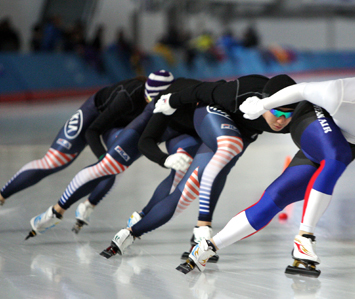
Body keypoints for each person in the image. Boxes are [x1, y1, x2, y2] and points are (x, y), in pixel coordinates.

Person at [177, 66, 355, 277]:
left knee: (279, 195)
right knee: (336, 155)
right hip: (312, 118)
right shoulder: (340, 94)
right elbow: (302, 89)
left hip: (346, 143)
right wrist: (262, 105)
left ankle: (207, 248)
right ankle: (305, 239)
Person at [100, 74, 300, 259]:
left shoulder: (286, 115)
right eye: (276, 112)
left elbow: (200, 90)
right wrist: (164, 156)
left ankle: (136, 231)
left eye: (287, 114)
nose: (282, 119)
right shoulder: (161, 103)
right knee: (194, 167)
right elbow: (146, 140)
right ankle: (195, 223)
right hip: (200, 124)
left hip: (224, 126)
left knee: (196, 184)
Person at [22, 71, 176, 239]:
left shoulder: (171, 103)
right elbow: (93, 130)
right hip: (110, 124)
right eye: (148, 98)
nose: (148, 102)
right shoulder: (130, 96)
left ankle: (88, 205)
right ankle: (56, 210)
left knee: (115, 169)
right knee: (106, 166)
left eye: (152, 100)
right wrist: (103, 157)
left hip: (129, 128)